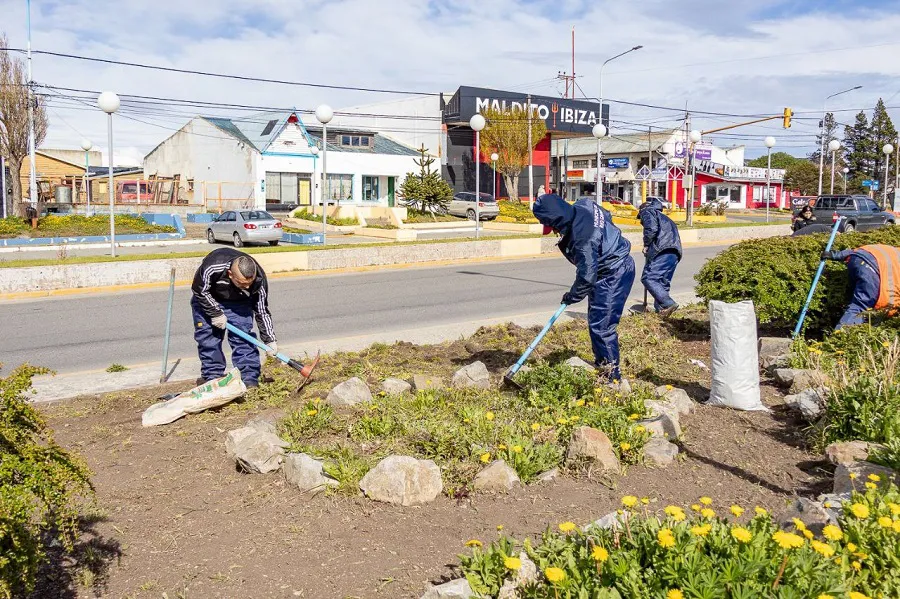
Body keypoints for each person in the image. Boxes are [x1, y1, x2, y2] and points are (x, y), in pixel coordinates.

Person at [533, 193, 635, 382]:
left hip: (613, 273)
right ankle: (604, 364)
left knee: (602, 326)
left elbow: (587, 277)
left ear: (557, 221)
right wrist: (605, 241)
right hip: (613, 265)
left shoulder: (583, 239)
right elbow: (606, 215)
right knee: (597, 320)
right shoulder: (584, 205)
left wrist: (571, 296)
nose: (554, 232)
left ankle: (611, 377)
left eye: (552, 227)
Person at [191, 247, 293, 387]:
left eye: (249, 284)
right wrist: (215, 313)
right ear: (230, 274)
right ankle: (213, 378)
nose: (247, 287)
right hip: (208, 298)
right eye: (242, 283)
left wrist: (270, 340)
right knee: (208, 340)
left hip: (239, 302)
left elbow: (262, 310)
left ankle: (249, 379)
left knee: (243, 338)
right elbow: (199, 290)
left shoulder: (259, 279)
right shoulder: (213, 266)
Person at [821, 244, 900, 328]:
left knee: (854, 299)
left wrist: (834, 255)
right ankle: (842, 333)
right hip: (872, 272)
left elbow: (853, 251)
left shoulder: (892, 250)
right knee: (860, 308)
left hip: (856, 259)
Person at [638, 196, 682, 316]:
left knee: (649, 278)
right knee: (663, 282)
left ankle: (667, 304)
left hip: (662, 249)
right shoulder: (664, 217)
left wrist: (647, 245)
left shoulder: (647, 211)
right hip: (674, 251)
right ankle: (661, 311)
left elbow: (651, 228)